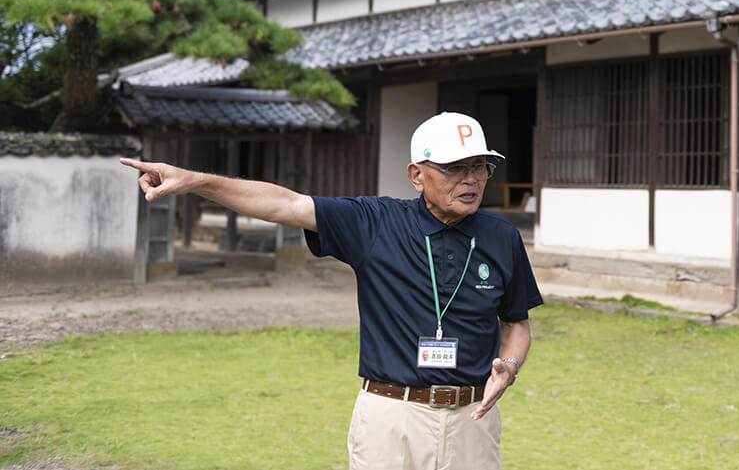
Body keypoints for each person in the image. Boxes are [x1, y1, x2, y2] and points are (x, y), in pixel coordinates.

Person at [121, 111, 543, 470]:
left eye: (480, 167)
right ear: (416, 175)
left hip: (473, 416)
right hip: (391, 416)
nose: (470, 180)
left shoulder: (501, 237)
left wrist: (508, 364)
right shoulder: (375, 223)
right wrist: (193, 180)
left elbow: (516, 324)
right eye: (455, 168)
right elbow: (284, 204)